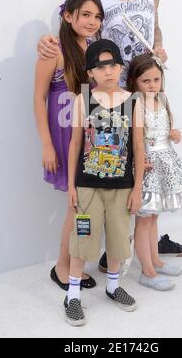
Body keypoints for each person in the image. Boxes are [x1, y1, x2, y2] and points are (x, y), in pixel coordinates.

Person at [37, 0, 182, 272]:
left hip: (148, 88)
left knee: (152, 162)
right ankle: (116, 249)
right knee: (120, 169)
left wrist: (158, 47)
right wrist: (45, 43)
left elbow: (155, 29)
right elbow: (71, 25)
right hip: (111, 99)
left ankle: (151, 236)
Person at [65, 39, 145, 326]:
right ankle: (72, 295)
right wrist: (71, 186)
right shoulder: (82, 99)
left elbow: (138, 146)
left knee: (118, 238)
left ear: (120, 67)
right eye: (101, 66)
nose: (108, 70)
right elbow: (75, 145)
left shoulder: (133, 101)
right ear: (91, 72)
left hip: (122, 187)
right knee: (83, 238)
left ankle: (112, 286)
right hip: (88, 186)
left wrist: (137, 188)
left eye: (113, 64)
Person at [34, 0, 104, 291]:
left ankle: (75, 262)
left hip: (91, 136)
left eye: (97, 16)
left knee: (85, 207)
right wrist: (47, 145)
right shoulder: (55, 49)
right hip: (65, 138)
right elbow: (38, 99)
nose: (92, 21)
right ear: (68, 16)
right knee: (76, 207)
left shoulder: (95, 49)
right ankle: (63, 267)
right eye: (85, 14)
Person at [127, 54, 182, 290]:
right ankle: (146, 272)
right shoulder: (135, 103)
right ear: (135, 82)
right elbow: (136, 140)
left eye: (156, 80)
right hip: (148, 165)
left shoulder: (163, 99)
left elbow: (167, 128)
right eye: (145, 81)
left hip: (165, 160)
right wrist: (141, 163)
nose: (152, 85)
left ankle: (156, 261)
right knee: (143, 220)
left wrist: (174, 134)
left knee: (154, 216)